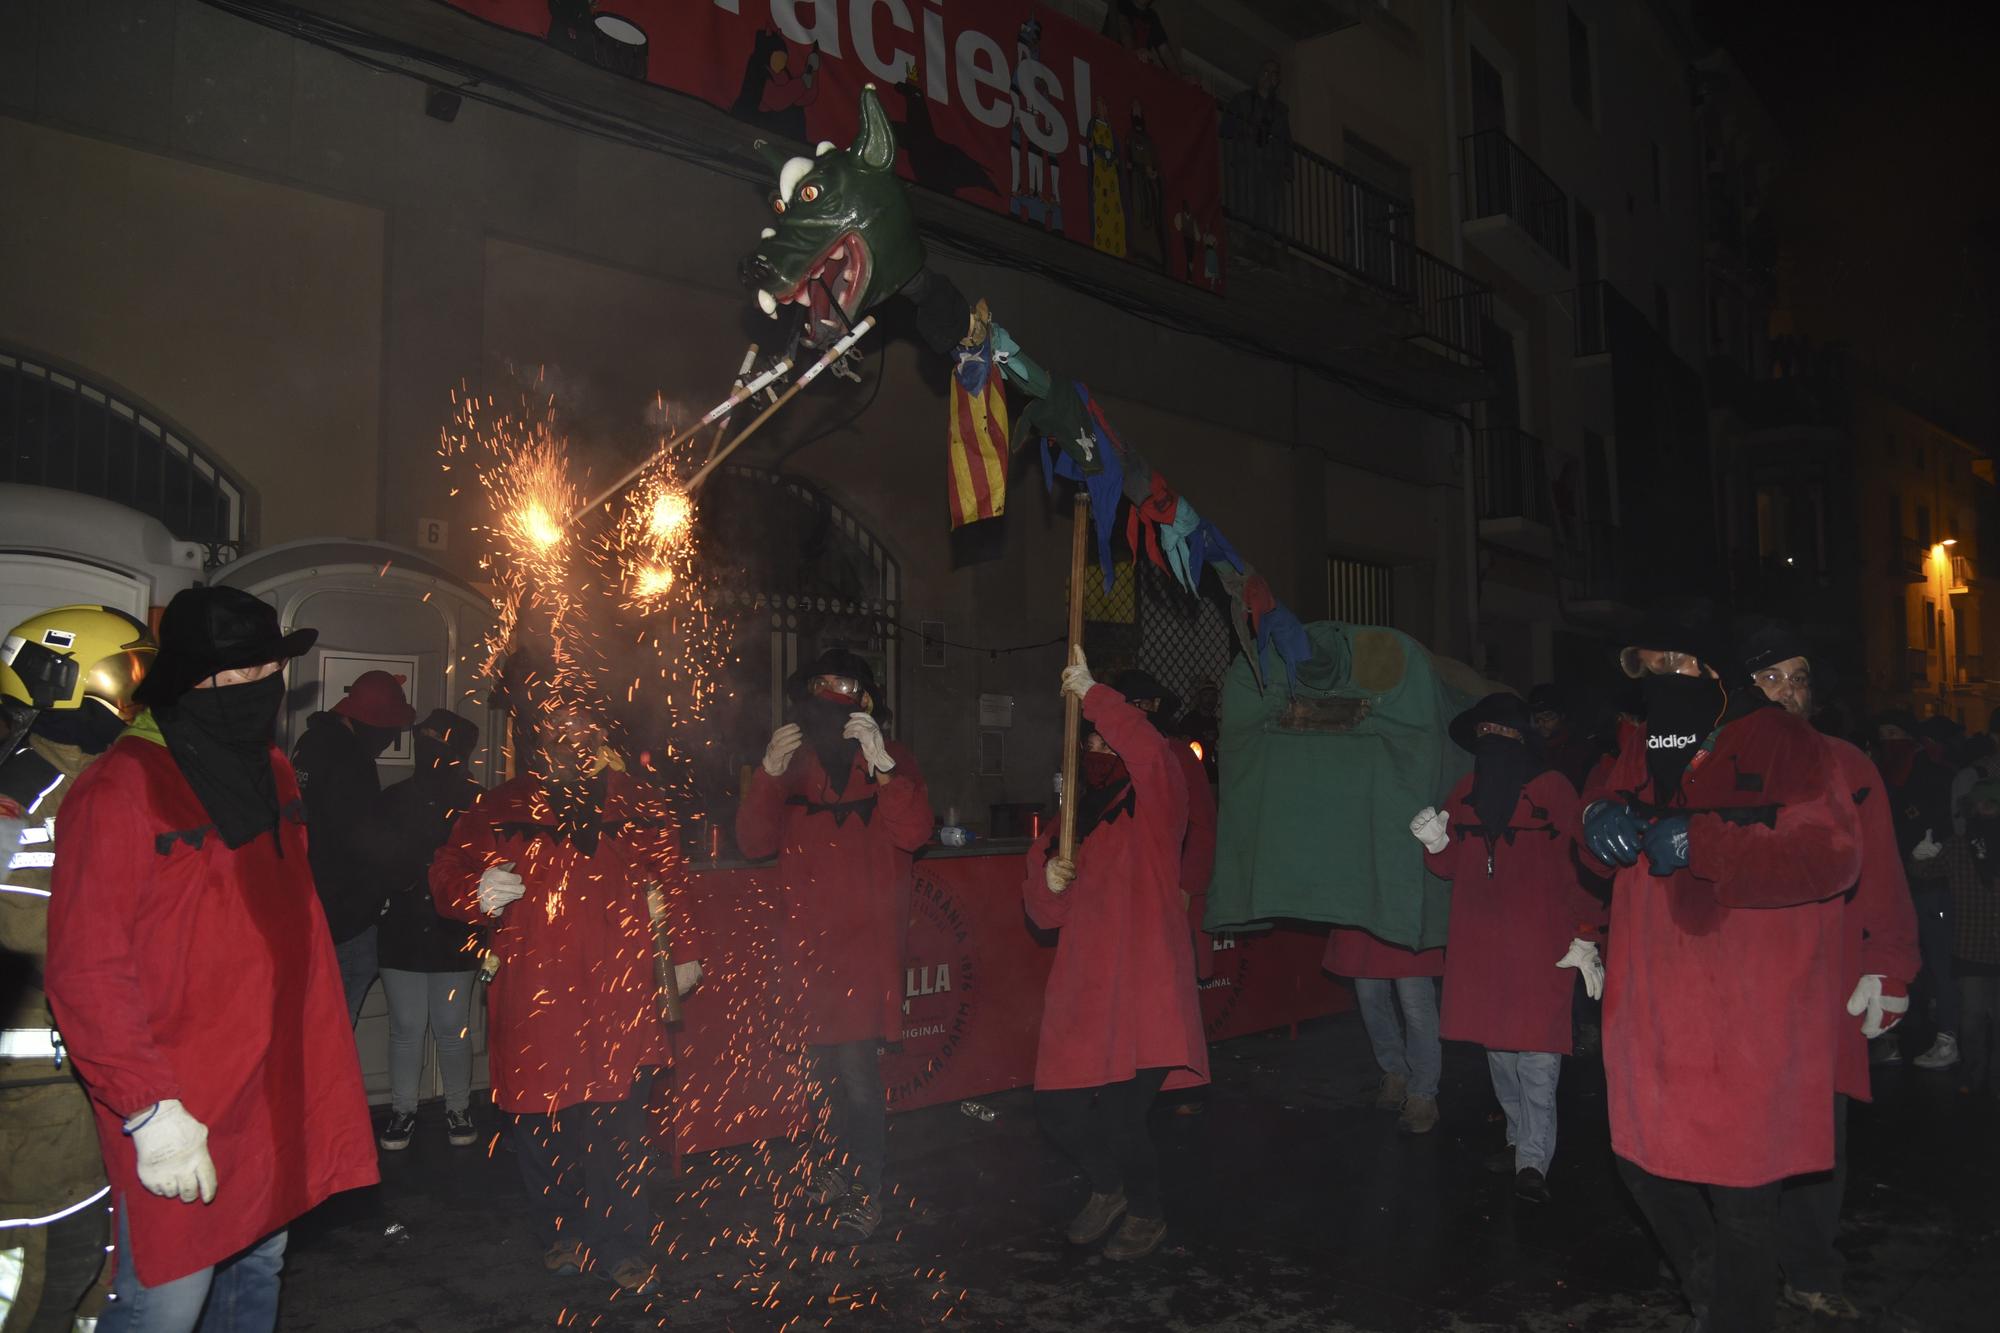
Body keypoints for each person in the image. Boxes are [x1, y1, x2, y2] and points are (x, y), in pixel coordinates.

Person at [44, 586, 377, 1332]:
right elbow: (85, 969)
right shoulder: (120, 786)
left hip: (269, 1091)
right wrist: (149, 1109)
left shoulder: (274, 771)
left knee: (258, 1270)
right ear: (191, 679)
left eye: (269, 670)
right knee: (165, 1301)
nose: (260, 686)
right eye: (238, 673)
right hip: (182, 1100)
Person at [1578, 611, 1861, 1333]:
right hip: (1651, 1014)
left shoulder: (1785, 741)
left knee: (1743, 1195)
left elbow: (1832, 856)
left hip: (1745, 1016)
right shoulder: (1642, 744)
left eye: (1678, 661)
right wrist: (1595, 820)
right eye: (1653, 666)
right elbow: (1597, 832)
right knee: (1639, 1163)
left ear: (1714, 668)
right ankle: (1713, 1297)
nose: (1665, 677)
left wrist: (1706, 843)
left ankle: (1734, 1316)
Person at [431, 701, 703, 1294]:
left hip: (618, 990)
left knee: (618, 1125)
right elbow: (448, 869)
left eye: (585, 722)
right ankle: (560, 1231)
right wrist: (474, 890)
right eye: (560, 724)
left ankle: (621, 1243)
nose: (573, 734)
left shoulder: (639, 800)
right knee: (542, 1122)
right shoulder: (501, 804)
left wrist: (684, 951)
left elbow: (672, 877)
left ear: (603, 729)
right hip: (537, 990)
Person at [1741, 620, 1920, 1321]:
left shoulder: (1849, 765)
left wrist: (1890, 965)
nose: (1789, 692)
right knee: (1737, 1138)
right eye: (1770, 677)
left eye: (1799, 678)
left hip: (1822, 987)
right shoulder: (1715, 762)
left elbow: (1883, 876)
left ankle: (1811, 1270)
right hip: (1736, 987)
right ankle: (1735, 1274)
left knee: (1819, 1139)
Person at [735, 649, 932, 1240]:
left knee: (858, 1076)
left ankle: (866, 1188)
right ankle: (834, 1168)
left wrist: (884, 767)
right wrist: (768, 773)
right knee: (817, 1075)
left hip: (865, 951)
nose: (834, 697)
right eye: (823, 685)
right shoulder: (794, 762)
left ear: (867, 700)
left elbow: (914, 833)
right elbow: (753, 842)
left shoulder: (894, 758)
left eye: (846, 686)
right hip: (808, 951)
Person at [0, 605, 155, 1333]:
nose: (139, 694)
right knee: (41, 1270)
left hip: (86, 1076)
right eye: (128, 674)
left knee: (93, 1267)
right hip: (30, 1089)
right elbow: (35, 932)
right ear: (64, 680)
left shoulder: (98, 781)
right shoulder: (20, 794)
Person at [1025, 648, 1208, 1260]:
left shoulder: (1157, 801)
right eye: (1092, 742)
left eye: (1111, 741)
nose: (1101, 750)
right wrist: (1048, 884)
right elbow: (1043, 917)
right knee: (1057, 1109)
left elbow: (1150, 754)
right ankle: (1109, 1188)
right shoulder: (1068, 821)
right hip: (1085, 989)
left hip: (1145, 987)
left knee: (1122, 1117)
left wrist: (1095, 697)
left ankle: (1148, 1213)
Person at [1412, 693, 1601, 1203]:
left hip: (1540, 943)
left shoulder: (1553, 789)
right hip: (1480, 944)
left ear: (1522, 738)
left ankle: (1534, 1160)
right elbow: (1450, 868)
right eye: (1483, 735)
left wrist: (1587, 933)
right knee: (1498, 1050)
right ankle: (1518, 1139)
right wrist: (1436, 844)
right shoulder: (1465, 791)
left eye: (1501, 732)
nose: (1491, 742)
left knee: (1537, 1051)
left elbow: (1580, 864)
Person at [371, 709, 485, 1153]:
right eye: (425, 736)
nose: (427, 744)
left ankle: (458, 1107)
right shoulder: (395, 798)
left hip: (453, 930)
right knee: (406, 1026)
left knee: (452, 1026)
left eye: (436, 738)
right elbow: (375, 857)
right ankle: (404, 1110)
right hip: (402, 926)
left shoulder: (478, 802)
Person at [292, 668, 415, 1024]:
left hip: (309, 906)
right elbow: (362, 834)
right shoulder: (349, 758)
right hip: (344, 916)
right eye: (390, 728)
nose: (390, 738)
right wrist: (403, 874)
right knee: (335, 1021)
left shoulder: (310, 743)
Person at [1112, 670, 1216, 980]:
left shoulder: (1179, 755)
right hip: (1127, 887)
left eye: (1144, 705)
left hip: (1173, 886)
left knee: (1172, 976)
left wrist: (1187, 886)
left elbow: (1203, 824)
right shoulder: (1111, 756)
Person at [1909, 779, 2000, 1099]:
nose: (1984, 810)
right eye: (1980, 805)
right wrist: (1919, 856)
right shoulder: (1960, 846)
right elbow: (1923, 872)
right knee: (1972, 1019)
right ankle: (1974, 1077)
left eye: (1991, 804)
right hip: (1971, 946)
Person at [1323, 928, 1444, 1133]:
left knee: (1414, 1000)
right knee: (1369, 997)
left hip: (1407, 919)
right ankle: (1396, 1072)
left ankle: (1423, 1094)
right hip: (1369, 921)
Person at [1220, 59, 1292, 232]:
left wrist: (1287, 166)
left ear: (1278, 80)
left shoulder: (1281, 111)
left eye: (1274, 74)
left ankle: (1266, 240)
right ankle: (1243, 235)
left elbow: (1286, 140)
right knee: (1245, 206)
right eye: (1265, 72)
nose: (1269, 77)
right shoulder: (1242, 100)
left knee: (1269, 212)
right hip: (1247, 163)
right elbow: (1226, 128)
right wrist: (1247, 130)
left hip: (1270, 167)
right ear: (1258, 75)